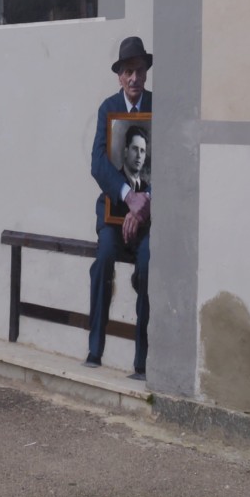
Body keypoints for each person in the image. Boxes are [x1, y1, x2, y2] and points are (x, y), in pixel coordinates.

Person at [85, 36, 153, 379]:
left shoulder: (159, 107)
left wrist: (145, 203)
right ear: (119, 76)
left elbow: (171, 163)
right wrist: (128, 196)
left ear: (146, 72)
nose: (134, 78)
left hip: (149, 219)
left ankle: (142, 362)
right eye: (128, 72)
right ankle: (94, 350)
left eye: (139, 71)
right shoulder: (107, 108)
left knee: (148, 266)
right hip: (113, 214)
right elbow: (98, 163)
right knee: (103, 260)